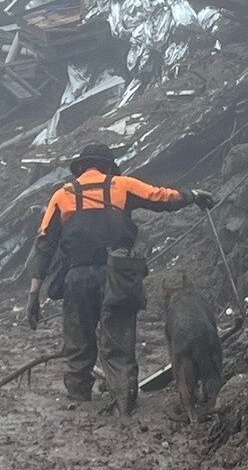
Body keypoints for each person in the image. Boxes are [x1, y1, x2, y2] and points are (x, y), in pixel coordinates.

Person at [25, 143, 214, 415]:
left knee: (78, 345)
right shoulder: (123, 185)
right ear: (108, 167)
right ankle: (124, 406)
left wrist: (34, 295)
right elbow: (162, 198)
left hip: (77, 278)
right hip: (120, 275)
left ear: (80, 169)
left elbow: (43, 245)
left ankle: (80, 406)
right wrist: (194, 195)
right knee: (119, 344)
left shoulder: (62, 195)